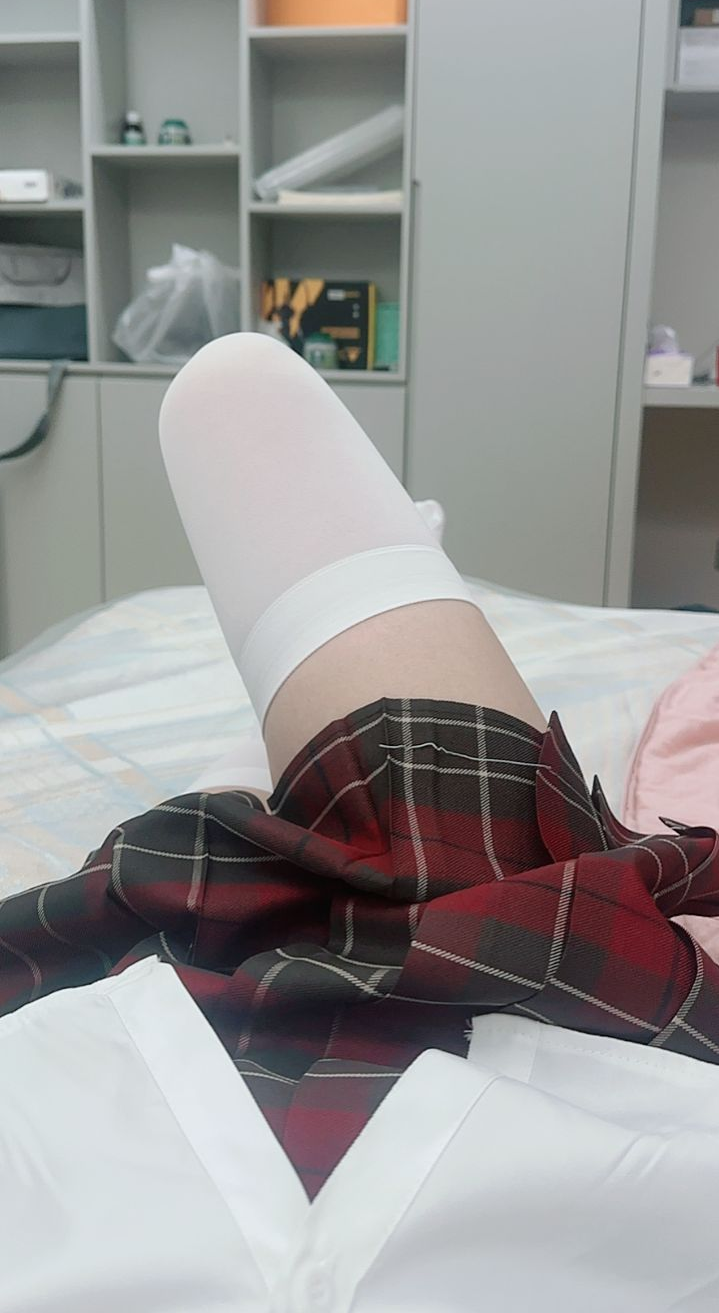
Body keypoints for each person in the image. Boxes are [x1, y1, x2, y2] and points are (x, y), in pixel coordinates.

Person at [1, 333, 719, 1310]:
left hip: (123, 1089)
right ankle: (350, 649)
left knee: (231, 389)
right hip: (550, 1017)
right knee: (233, 389)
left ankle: (290, 733)